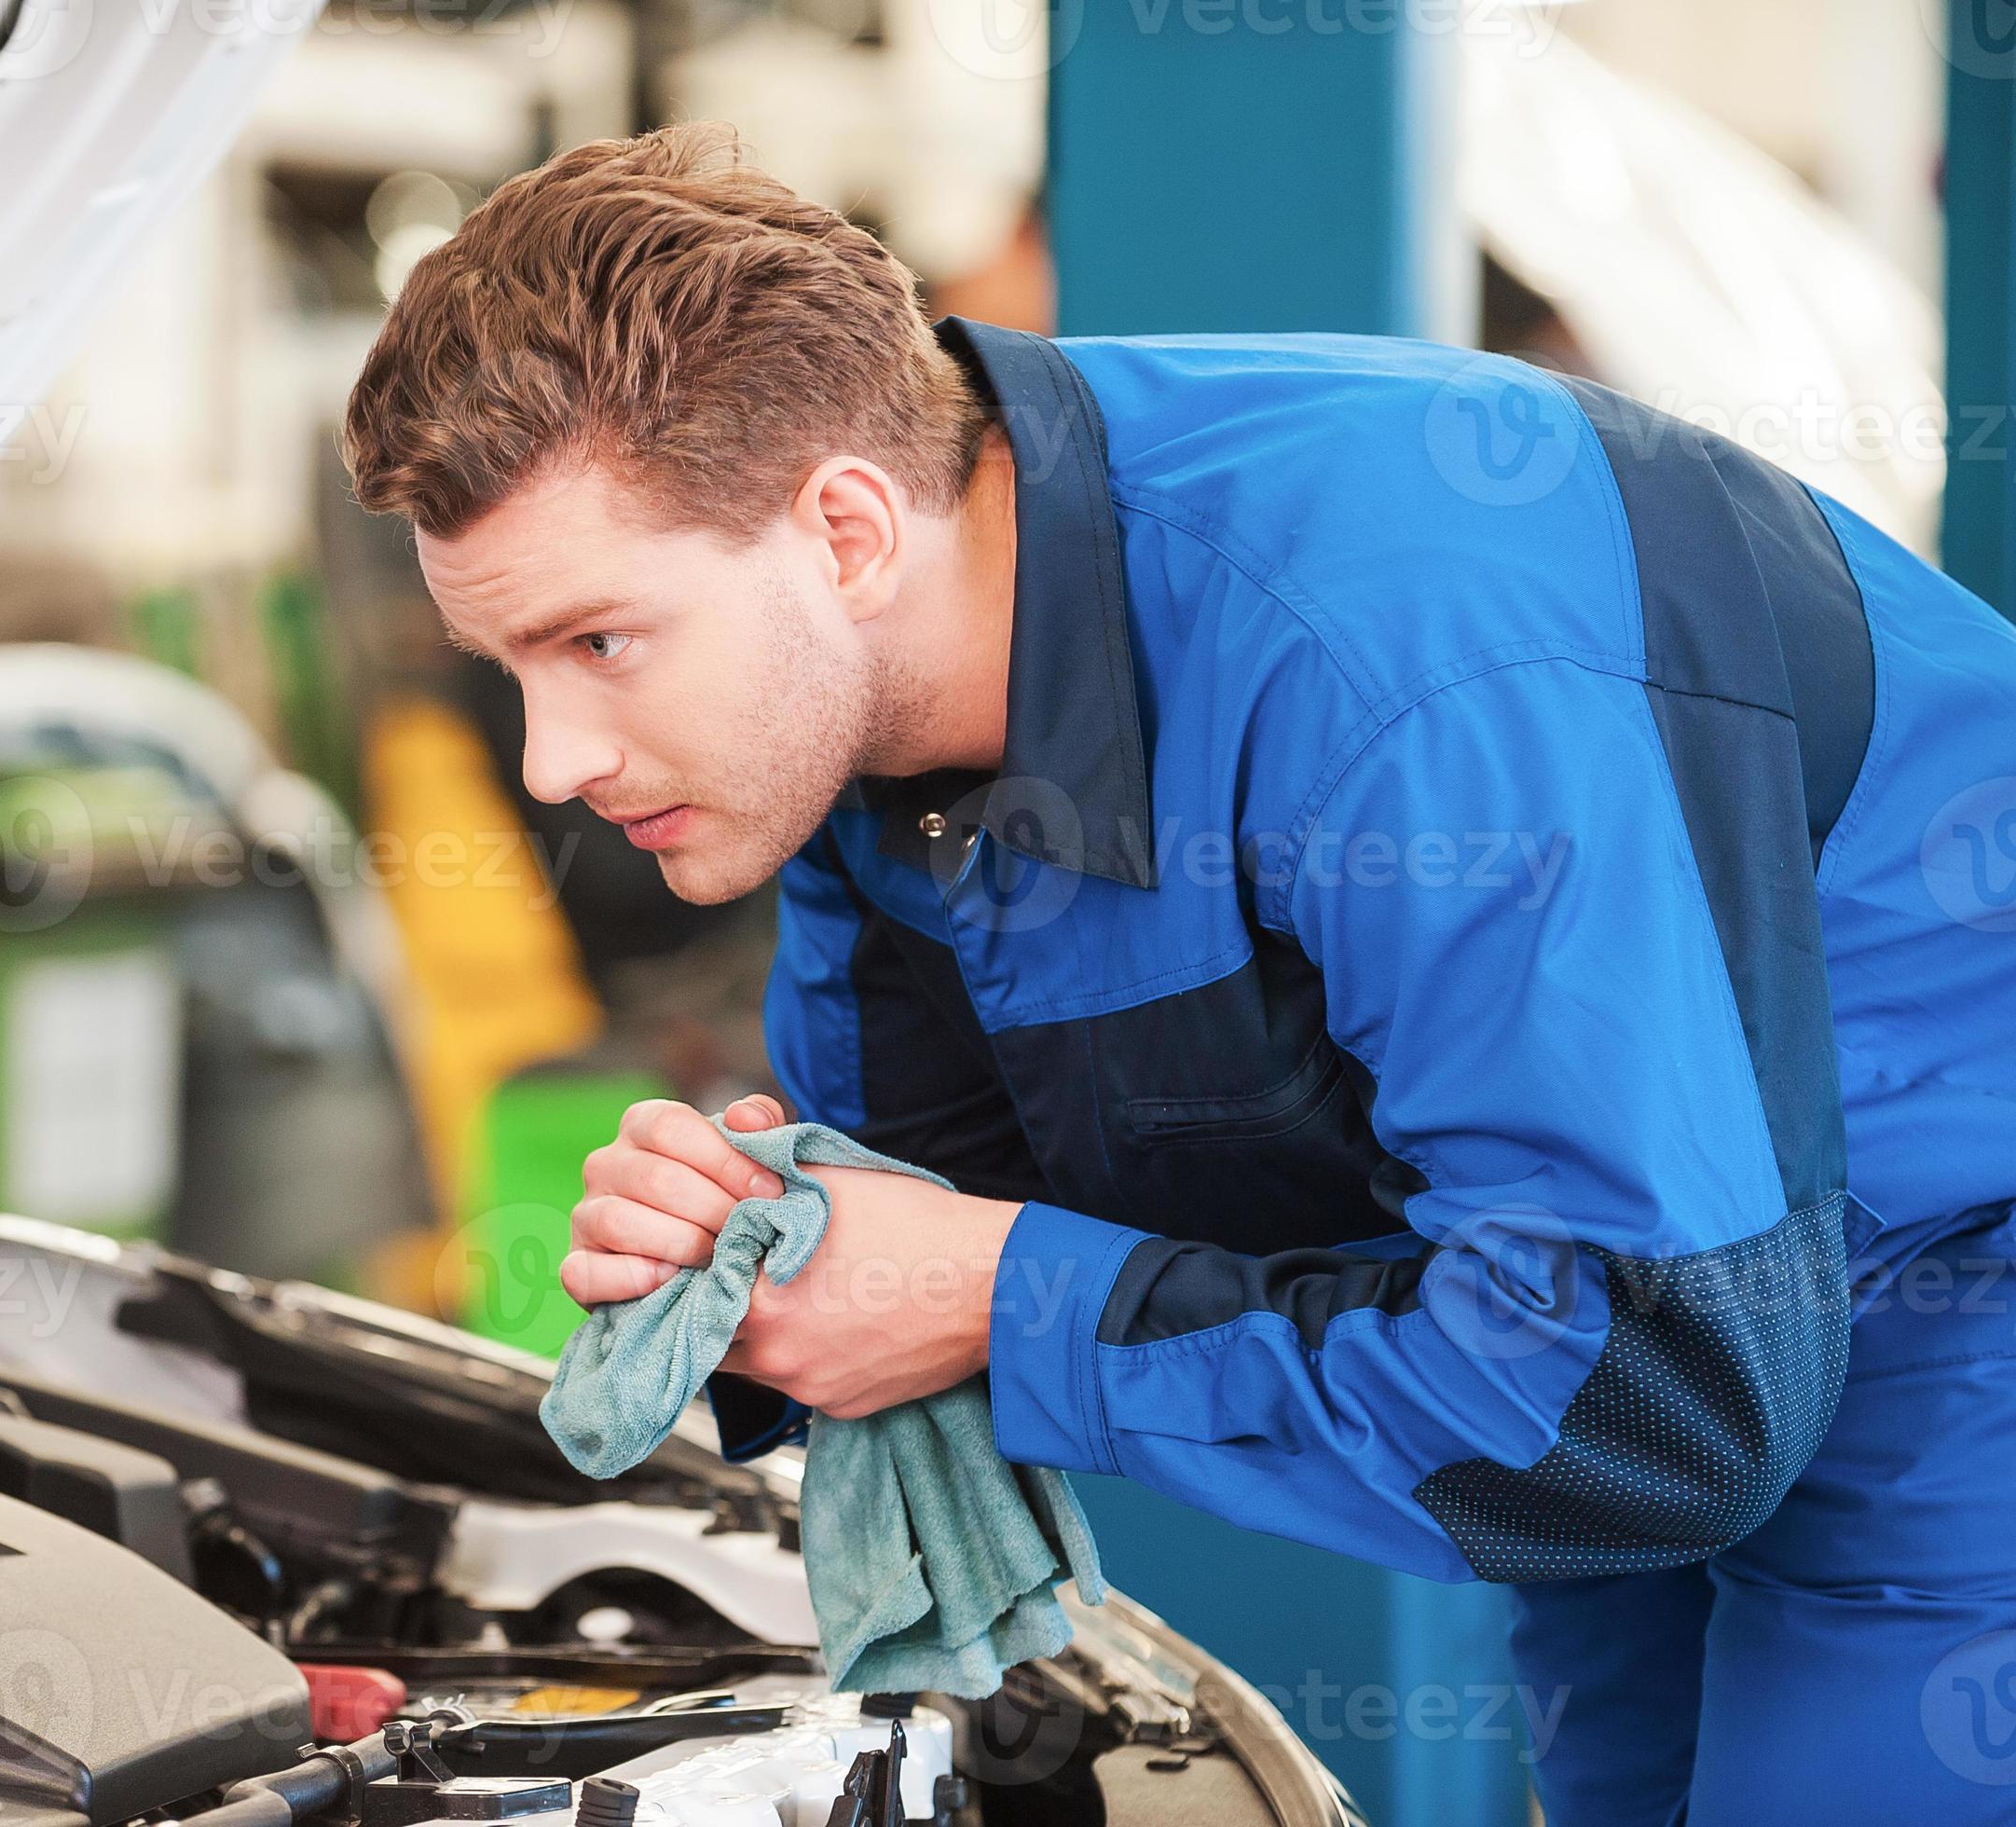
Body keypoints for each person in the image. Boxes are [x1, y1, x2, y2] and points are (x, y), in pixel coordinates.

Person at [338, 124, 2016, 1823]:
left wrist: (980, 1294)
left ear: (842, 530)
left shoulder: (1399, 662)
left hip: (1941, 1280)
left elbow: (1650, 1410)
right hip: (1631, 1306)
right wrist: (761, 1274)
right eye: (509, 664)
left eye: (599, 643)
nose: (548, 760)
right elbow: (934, 1229)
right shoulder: (863, 733)